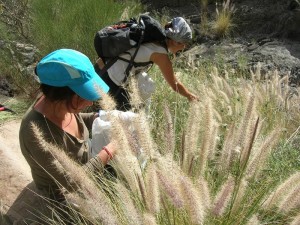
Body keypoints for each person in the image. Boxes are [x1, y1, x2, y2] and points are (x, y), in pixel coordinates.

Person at [19, 48, 115, 202]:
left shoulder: (57, 104)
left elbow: (77, 119)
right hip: (64, 195)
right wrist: (109, 151)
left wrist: (100, 116)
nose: (90, 102)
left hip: (86, 168)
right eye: (83, 95)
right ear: (60, 94)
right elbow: (72, 182)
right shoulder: (35, 133)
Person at [94, 17, 199, 111]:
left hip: (101, 69)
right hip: (110, 80)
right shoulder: (161, 55)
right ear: (176, 41)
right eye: (184, 44)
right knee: (121, 122)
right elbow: (175, 84)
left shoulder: (152, 39)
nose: (184, 47)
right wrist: (189, 96)